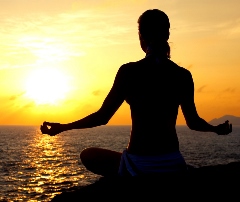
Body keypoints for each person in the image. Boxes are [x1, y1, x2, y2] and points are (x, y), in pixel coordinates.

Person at [40, 9, 232, 177]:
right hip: (172, 162)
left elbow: (102, 117)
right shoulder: (182, 75)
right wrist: (215, 129)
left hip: (139, 165)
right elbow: (193, 122)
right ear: (167, 34)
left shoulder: (129, 72)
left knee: (88, 155)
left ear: (141, 37)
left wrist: (62, 127)